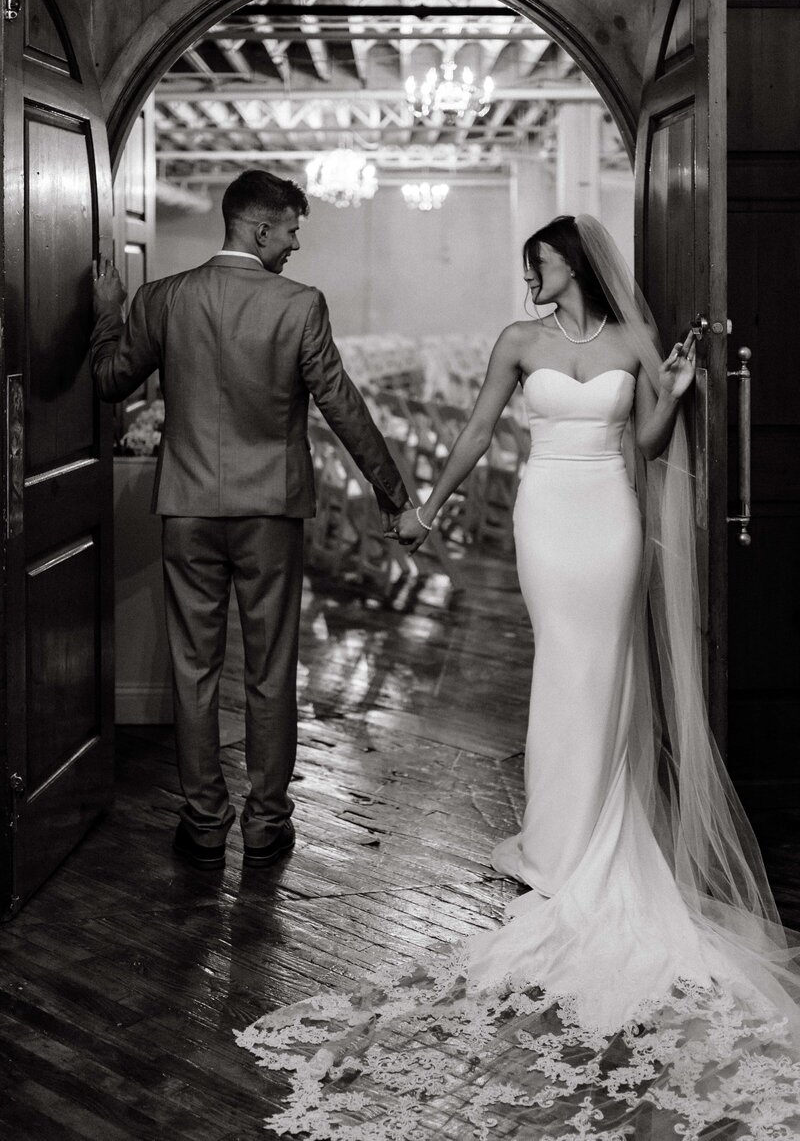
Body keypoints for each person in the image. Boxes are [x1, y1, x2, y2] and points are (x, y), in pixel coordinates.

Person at [236, 215, 800, 1138]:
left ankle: (599, 839)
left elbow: (650, 444)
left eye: (536, 264)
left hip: (611, 519)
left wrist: (684, 385)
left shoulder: (631, 339)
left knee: (606, 668)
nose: (529, 279)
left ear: (568, 261)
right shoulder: (517, 340)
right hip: (545, 517)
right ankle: (557, 841)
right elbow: (475, 434)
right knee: (561, 667)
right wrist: (422, 508)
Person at [91, 169, 408, 873]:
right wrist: (392, 492)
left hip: (188, 509)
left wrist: (107, 313)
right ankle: (267, 824)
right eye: (292, 228)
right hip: (271, 512)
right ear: (259, 227)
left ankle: (204, 822)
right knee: (270, 669)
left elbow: (110, 379)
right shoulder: (299, 306)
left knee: (193, 668)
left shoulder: (163, 298)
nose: (296, 242)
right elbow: (342, 404)